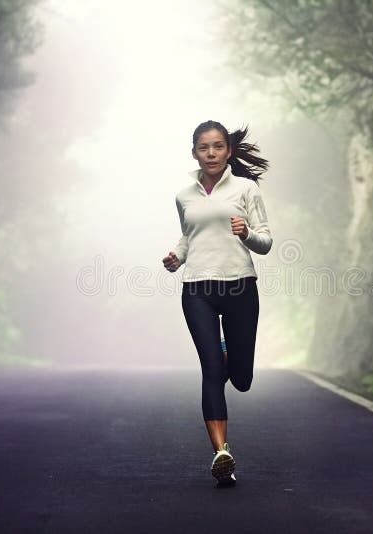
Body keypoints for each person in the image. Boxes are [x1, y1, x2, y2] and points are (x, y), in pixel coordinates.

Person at [162, 120, 272, 486]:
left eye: (218, 146)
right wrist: (177, 256)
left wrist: (247, 233)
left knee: (240, 379)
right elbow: (188, 235)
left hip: (240, 286)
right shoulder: (184, 196)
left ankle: (229, 353)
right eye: (204, 147)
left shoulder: (246, 188)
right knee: (211, 370)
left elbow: (266, 241)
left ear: (228, 151)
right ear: (194, 152)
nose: (211, 153)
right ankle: (221, 453)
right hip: (197, 289)